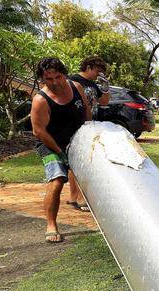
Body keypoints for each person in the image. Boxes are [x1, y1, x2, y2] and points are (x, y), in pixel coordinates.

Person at [31, 57, 91, 243]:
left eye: (58, 77)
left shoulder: (76, 87)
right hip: (50, 143)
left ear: (64, 74)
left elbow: (87, 111)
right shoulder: (41, 100)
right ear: (42, 80)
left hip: (76, 140)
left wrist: (90, 134)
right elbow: (39, 131)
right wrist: (60, 153)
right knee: (57, 181)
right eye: (49, 79)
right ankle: (51, 224)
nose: (55, 82)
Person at [66, 56, 110, 212]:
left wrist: (105, 87)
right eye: (97, 71)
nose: (98, 75)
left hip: (89, 126)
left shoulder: (92, 84)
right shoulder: (71, 80)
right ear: (89, 66)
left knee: (82, 160)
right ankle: (78, 197)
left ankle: (75, 197)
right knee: (77, 161)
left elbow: (104, 101)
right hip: (75, 125)